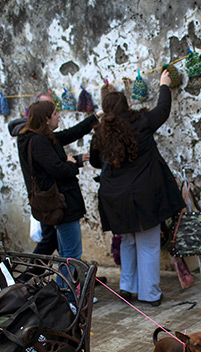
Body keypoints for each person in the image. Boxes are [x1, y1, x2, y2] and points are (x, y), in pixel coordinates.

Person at [89, 70, 183, 307]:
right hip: (143, 195)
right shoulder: (141, 123)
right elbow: (163, 109)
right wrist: (163, 84)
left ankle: (127, 287)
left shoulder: (100, 133)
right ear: (128, 104)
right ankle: (150, 293)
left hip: (114, 197)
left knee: (128, 241)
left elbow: (95, 162)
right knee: (148, 244)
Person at [18, 100, 99, 263]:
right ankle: (67, 289)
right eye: (55, 113)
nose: (58, 116)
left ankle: (64, 288)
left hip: (57, 201)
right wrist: (70, 164)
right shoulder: (39, 141)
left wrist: (95, 117)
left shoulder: (42, 138)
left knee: (66, 254)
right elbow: (57, 169)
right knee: (71, 255)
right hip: (61, 202)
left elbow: (70, 134)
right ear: (46, 119)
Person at [9, 91, 59, 256]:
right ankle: (28, 276)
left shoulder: (41, 136)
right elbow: (53, 167)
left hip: (48, 194)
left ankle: (75, 276)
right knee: (50, 238)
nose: (55, 114)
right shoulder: (33, 138)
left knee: (59, 240)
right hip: (44, 196)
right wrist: (71, 165)